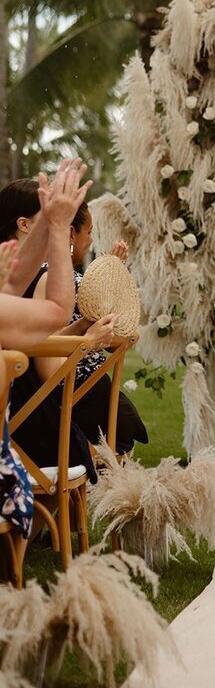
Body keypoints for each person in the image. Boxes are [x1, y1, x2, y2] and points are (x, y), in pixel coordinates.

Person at [0, 177, 148, 470]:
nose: (62, 229)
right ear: (24, 224)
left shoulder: (22, 274)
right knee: (101, 445)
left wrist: (84, 327)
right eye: (52, 219)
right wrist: (87, 341)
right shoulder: (40, 275)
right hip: (29, 417)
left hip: (23, 407)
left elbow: (37, 340)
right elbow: (46, 364)